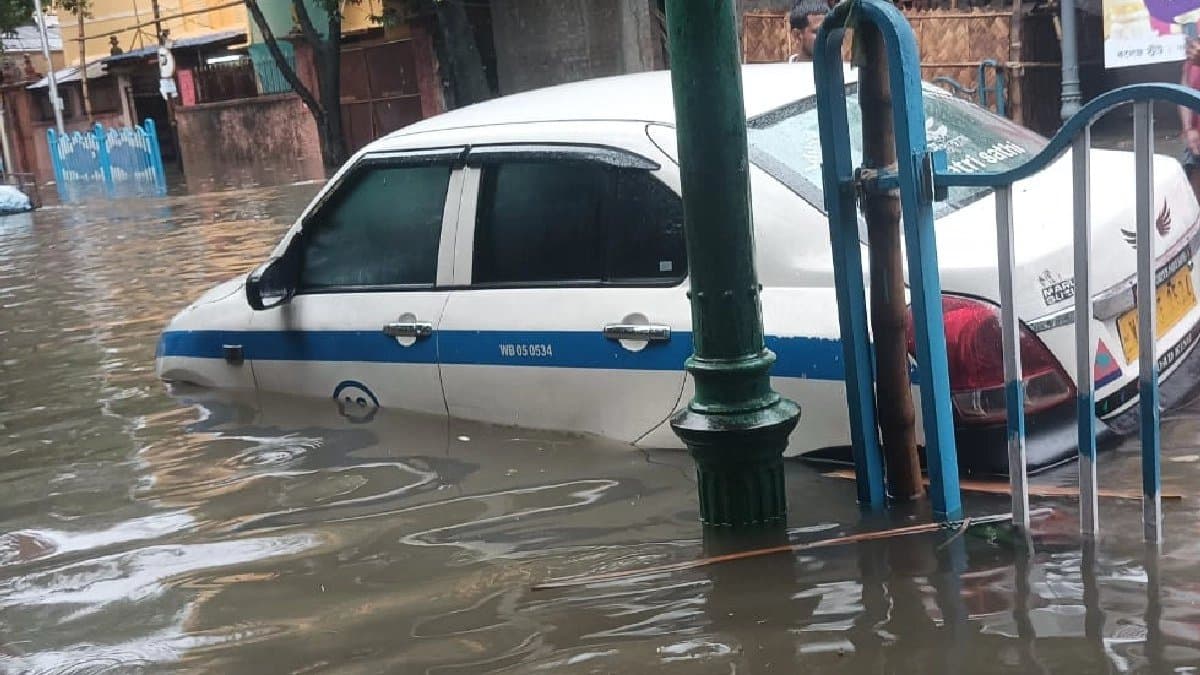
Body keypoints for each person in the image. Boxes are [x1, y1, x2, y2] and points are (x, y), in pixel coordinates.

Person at [1181, 35, 1200, 200]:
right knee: (1193, 202)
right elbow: (1184, 92)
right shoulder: (1191, 59)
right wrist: (1188, 129)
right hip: (1196, 142)